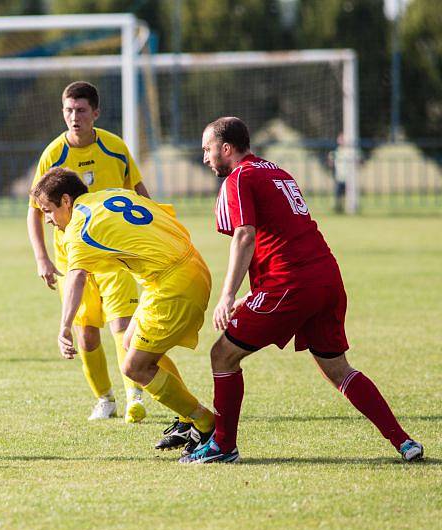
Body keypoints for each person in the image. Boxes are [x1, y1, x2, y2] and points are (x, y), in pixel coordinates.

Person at [181, 117, 424, 463]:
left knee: (222, 355)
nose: (204, 157)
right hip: (325, 277)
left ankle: (222, 446)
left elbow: (245, 235)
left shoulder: (239, 177)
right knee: (338, 369)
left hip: (291, 282)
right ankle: (404, 442)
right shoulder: (276, 172)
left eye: (207, 149)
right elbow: (280, 234)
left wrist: (227, 295)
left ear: (226, 148)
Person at [28, 81, 187, 428]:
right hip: (74, 258)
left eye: (81, 110)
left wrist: (156, 227)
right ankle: (104, 399)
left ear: (95, 113)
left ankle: (135, 395)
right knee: (87, 333)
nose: (74, 117)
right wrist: (42, 257)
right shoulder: (52, 155)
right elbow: (36, 209)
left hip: (114, 255)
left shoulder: (115, 147)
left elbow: (139, 191)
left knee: (123, 325)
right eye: (68, 110)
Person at [31, 167, 216, 450]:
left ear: (66, 201)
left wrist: (65, 327)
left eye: (48, 210)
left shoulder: (79, 227)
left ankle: (205, 425)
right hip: (186, 265)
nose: (47, 219)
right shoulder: (111, 194)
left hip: (174, 283)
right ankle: (185, 418)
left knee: (134, 367)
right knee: (130, 342)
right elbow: (159, 212)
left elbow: (76, 278)